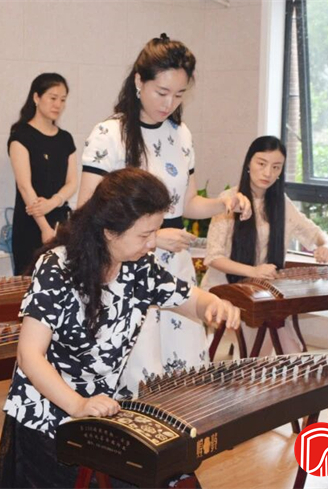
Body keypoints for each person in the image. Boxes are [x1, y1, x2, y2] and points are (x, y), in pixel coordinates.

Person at [0, 168, 240, 488]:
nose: (152, 244)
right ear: (110, 231)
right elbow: (29, 355)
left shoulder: (139, 267)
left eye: (155, 232)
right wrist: (78, 405)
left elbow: (189, 299)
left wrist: (213, 305)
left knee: (173, 477)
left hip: (101, 411)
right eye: (144, 235)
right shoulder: (57, 267)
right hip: (49, 416)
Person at [77, 34, 251, 397]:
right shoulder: (109, 135)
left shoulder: (180, 134)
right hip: (128, 268)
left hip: (175, 266)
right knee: (143, 374)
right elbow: (87, 212)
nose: (169, 103)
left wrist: (224, 203)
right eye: (162, 92)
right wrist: (154, 238)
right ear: (139, 82)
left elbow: (186, 204)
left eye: (179, 94)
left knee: (185, 367)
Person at [201, 136, 328, 355]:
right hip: (224, 289)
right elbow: (214, 257)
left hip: (262, 292)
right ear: (248, 162)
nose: (268, 173)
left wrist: (327, 246)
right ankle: (255, 371)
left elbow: (316, 234)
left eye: (276, 167)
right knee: (261, 339)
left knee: (286, 341)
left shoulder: (281, 203)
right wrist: (253, 271)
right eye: (261, 163)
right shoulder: (229, 199)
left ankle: (288, 370)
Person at [8, 73, 77, 275]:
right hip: (31, 223)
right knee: (30, 280)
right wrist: (45, 228)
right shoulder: (21, 135)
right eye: (53, 98)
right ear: (36, 98)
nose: (58, 105)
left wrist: (53, 202)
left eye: (63, 100)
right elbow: (24, 186)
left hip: (60, 222)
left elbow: (72, 182)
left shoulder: (65, 139)